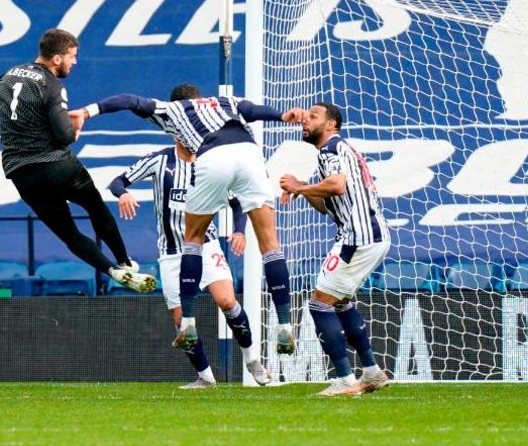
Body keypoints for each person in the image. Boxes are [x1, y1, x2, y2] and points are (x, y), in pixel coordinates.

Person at [72, 83, 304, 353]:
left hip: (213, 157)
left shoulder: (173, 109)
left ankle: (189, 322)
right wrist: (281, 115)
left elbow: (130, 99)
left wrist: (87, 112)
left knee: (193, 240)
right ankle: (285, 324)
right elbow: (252, 110)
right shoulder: (225, 101)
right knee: (270, 245)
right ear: (201, 97)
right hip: (249, 155)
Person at [0, 29, 155, 292]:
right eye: (72, 56)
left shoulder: (7, 76)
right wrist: (76, 128)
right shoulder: (51, 85)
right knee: (95, 206)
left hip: (22, 175)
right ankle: (124, 261)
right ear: (56, 59)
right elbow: (64, 136)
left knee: (70, 235)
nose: (74, 62)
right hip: (57, 167)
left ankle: (112, 271)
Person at [109, 136, 273, 388]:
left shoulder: (212, 165)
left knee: (227, 301)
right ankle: (206, 377)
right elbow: (117, 181)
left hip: (206, 247)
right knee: (180, 320)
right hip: (172, 254)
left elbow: (237, 203)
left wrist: (239, 231)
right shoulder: (160, 160)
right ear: (176, 134)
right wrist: (123, 194)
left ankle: (252, 360)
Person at [279, 102, 391, 396]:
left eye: (313, 117)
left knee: (319, 304)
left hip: (357, 237)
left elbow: (337, 186)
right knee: (340, 303)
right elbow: (328, 205)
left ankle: (345, 379)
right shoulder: (340, 151)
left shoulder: (331, 149)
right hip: (371, 235)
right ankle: (371, 372)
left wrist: (300, 187)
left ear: (331, 124)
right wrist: (303, 188)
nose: (305, 121)